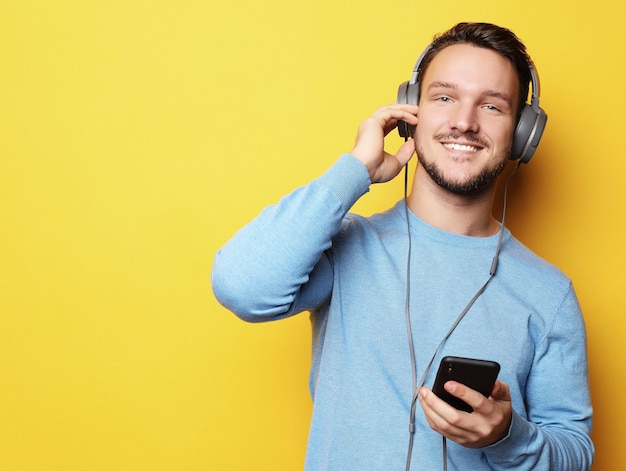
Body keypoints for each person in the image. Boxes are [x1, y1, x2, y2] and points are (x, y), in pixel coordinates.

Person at [212, 22, 594, 470]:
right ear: (410, 109)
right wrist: (354, 170)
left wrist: (507, 435)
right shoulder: (345, 247)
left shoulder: (549, 294)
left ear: (523, 134)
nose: (464, 122)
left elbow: (575, 454)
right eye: (445, 97)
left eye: (491, 106)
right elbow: (240, 286)